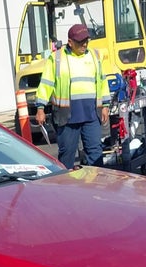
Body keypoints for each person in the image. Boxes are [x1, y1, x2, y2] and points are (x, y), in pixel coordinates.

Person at [35, 23, 111, 169]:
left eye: (86, 41)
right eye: (81, 41)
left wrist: (106, 105)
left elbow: (102, 81)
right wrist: (40, 108)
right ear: (70, 42)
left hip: (91, 115)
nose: (84, 44)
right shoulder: (56, 58)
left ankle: (96, 187)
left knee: (95, 153)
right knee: (67, 155)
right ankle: (67, 189)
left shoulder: (94, 56)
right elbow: (46, 84)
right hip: (67, 117)